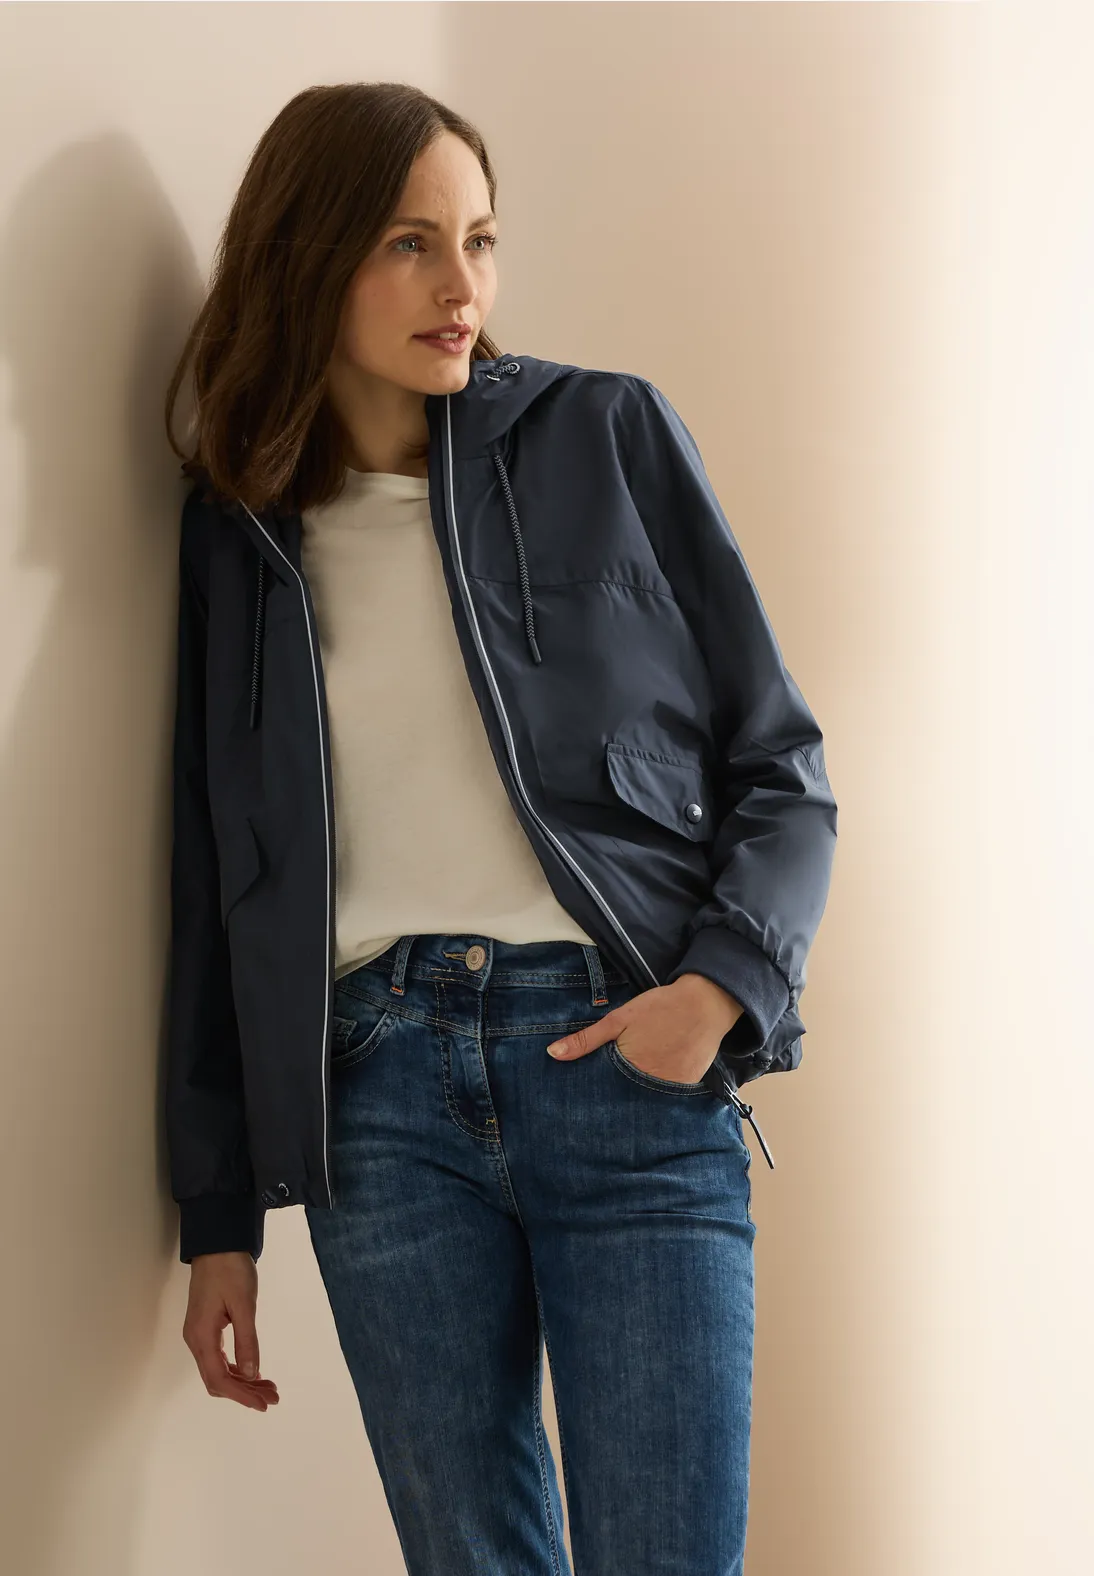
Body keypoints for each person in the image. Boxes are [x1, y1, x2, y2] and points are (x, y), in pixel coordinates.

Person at [163, 80, 837, 1576]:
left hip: (619, 1062)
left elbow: (779, 760)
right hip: (377, 1098)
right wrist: (219, 1216)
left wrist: (719, 992)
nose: (459, 286)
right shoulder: (241, 529)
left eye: (478, 239)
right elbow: (218, 879)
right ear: (310, 255)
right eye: (409, 243)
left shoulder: (603, 433)